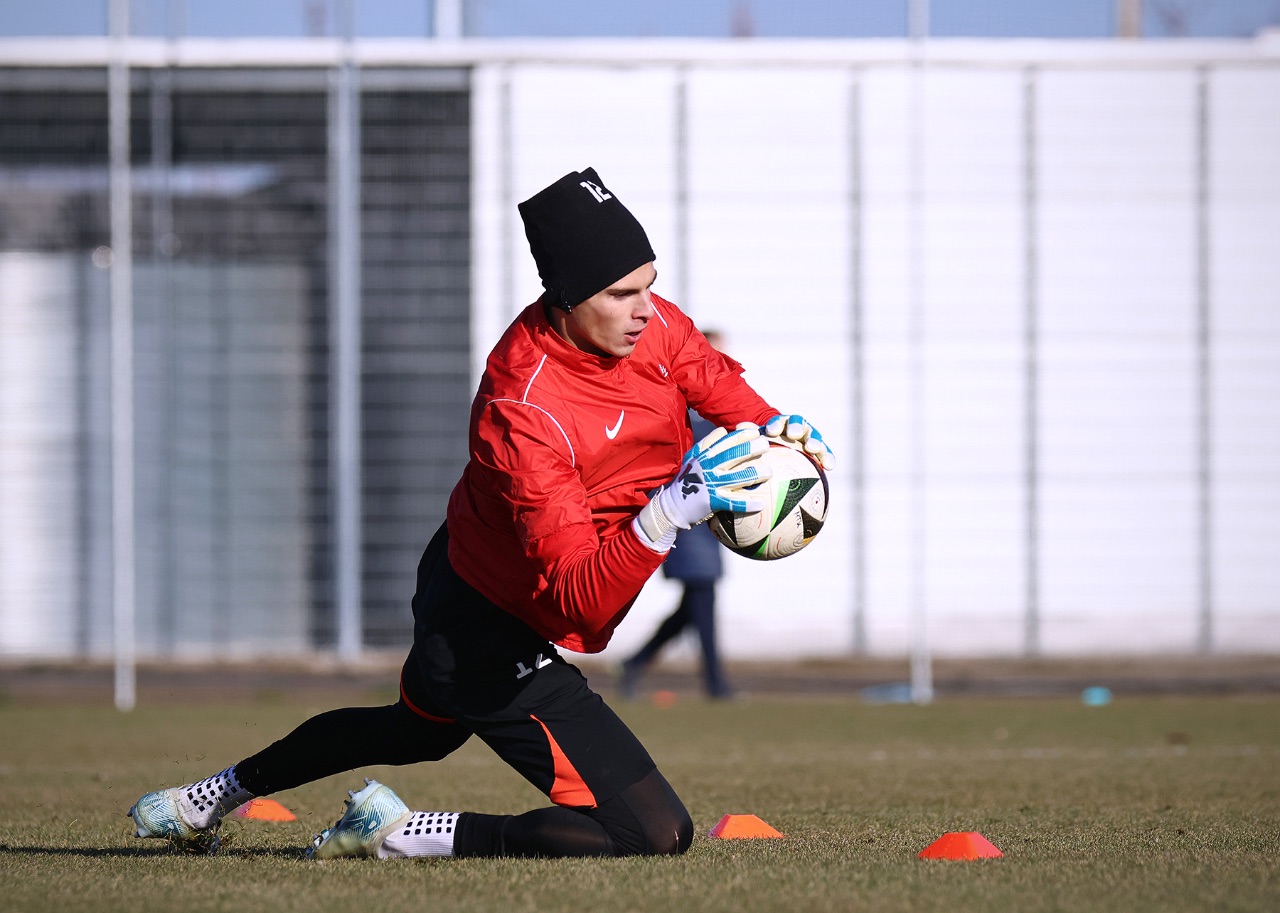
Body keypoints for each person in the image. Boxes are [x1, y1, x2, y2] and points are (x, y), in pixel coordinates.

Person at [128, 167, 834, 861]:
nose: (647, 309)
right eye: (622, 294)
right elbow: (579, 598)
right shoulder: (522, 408)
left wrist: (774, 430)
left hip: (481, 586)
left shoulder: (650, 325)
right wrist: (667, 514)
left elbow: (707, 375)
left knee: (413, 732)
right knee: (653, 832)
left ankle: (199, 800)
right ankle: (396, 833)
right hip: (484, 625)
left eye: (650, 284)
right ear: (565, 297)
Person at [620, 331, 734, 701]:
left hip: (707, 519)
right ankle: (716, 686)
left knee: (694, 605)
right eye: (715, 355)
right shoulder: (676, 401)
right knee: (703, 599)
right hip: (682, 515)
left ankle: (636, 661)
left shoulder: (717, 408)